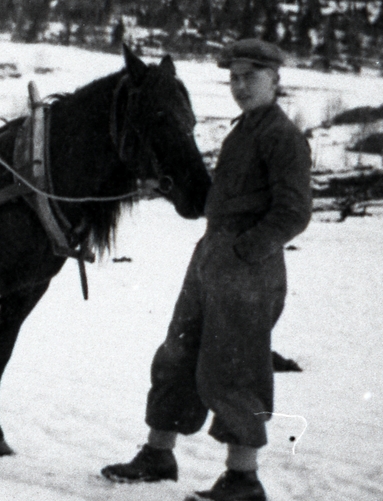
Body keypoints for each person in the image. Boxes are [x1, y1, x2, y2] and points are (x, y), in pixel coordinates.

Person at [101, 39, 312, 501]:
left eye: (250, 77)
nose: (239, 86)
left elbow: (294, 211)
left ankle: (243, 480)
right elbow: (226, 198)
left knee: (235, 369)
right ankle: (158, 455)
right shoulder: (245, 130)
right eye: (233, 77)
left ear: (275, 81)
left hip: (247, 270)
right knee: (177, 353)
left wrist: (242, 250)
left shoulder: (281, 135)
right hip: (211, 258)